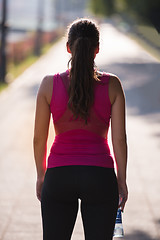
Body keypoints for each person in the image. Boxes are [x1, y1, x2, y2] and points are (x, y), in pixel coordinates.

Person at [33, 18, 128, 240]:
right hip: (100, 176)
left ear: (68, 48)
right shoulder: (112, 85)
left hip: (58, 176)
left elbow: (39, 139)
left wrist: (41, 175)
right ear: (97, 49)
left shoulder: (49, 84)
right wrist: (121, 180)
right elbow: (119, 140)